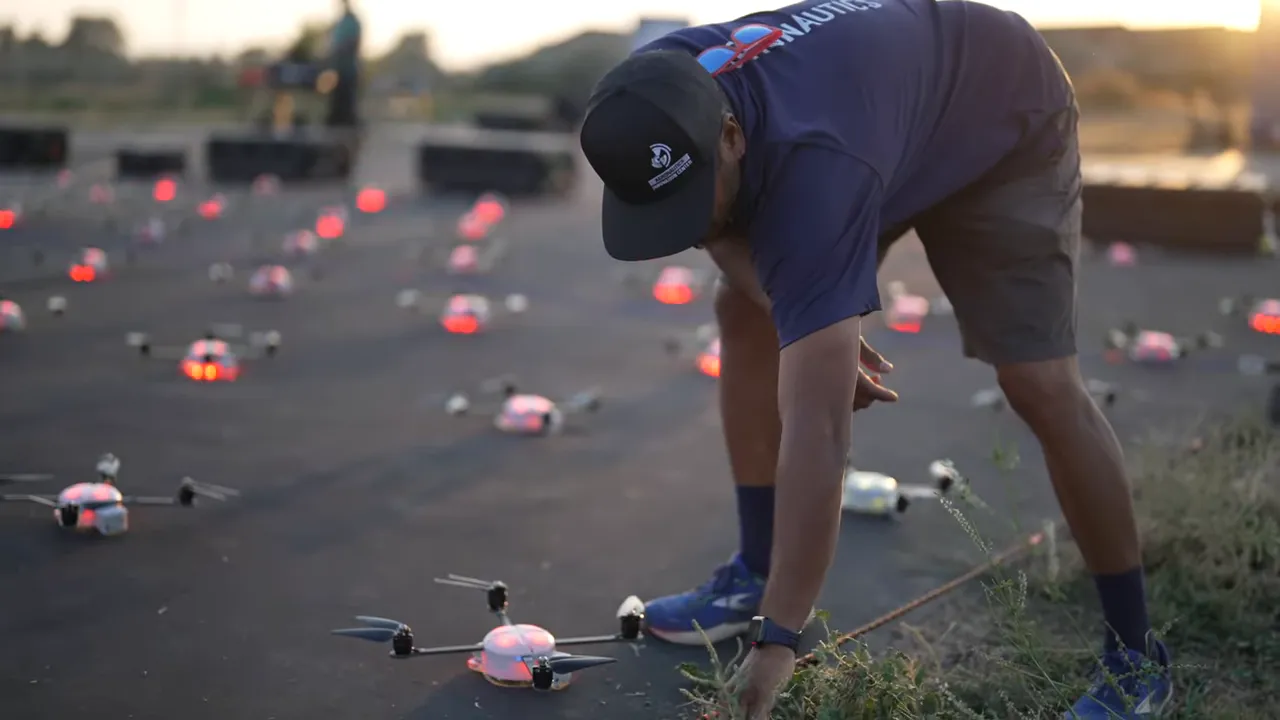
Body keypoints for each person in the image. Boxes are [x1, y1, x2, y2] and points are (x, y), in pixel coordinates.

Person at [577, 2, 1172, 719]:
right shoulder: (653, 97)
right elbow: (711, 224)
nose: (683, 228)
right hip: (877, 117)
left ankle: (1137, 657)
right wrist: (800, 309)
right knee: (742, 308)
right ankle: (756, 570)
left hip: (1000, 114)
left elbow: (821, 433)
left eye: (689, 201)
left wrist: (781, 640)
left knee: (1038, 382)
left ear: (731, 136)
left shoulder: (814, 168)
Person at [325, 0, 363, 134]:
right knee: (337, 100)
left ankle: (347, 125)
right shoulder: (339, 23)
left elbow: (353, 43)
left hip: (348, 69)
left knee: (347, 100)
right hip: (337, 69)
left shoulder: (352, 22)